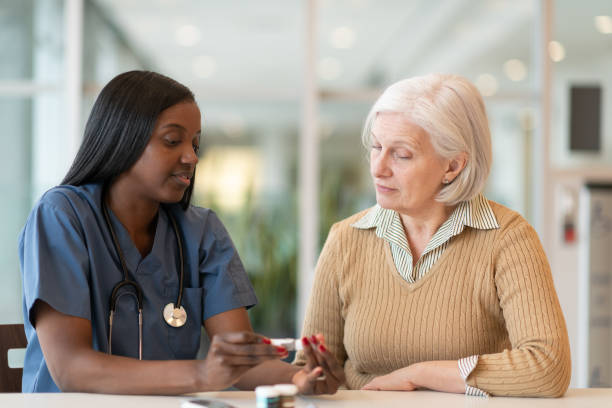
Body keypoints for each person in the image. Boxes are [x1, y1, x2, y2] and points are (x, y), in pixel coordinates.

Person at [19, 70, 345, 394]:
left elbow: (240, 363)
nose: (191, 157)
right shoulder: (62, 216)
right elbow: (71, 369)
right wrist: (202, 375)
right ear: (122, 139)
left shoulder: (201, 231)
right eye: (172, 141)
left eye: (196, 143)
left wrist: (300, 378)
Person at [294, 74, 571, 397]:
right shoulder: (345, 239)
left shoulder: (508, 238)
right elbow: (310, 368)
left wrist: (420, 374)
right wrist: (308, 379)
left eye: (402, 154)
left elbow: (548, 367)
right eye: (377, 147)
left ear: (453, 165)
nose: (378, 168)